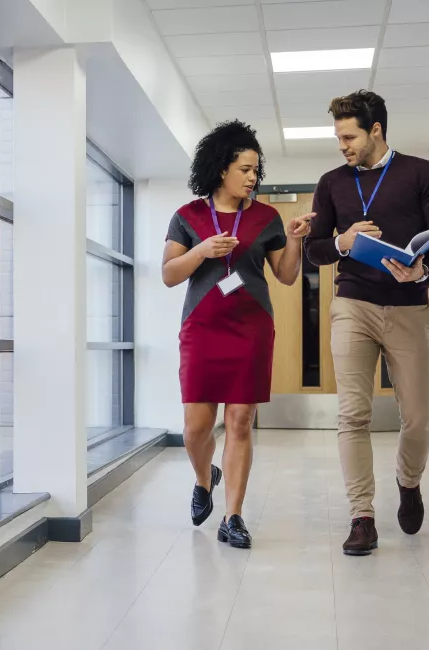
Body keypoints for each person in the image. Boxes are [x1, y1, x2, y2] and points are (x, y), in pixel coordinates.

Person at [304, 90, 429, 556]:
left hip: (410, 305)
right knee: (353, 414)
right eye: (338, 137)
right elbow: (315, 249)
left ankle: (408, 482)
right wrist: (343, 242)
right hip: (353, 304)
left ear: (376, 130)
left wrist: (423, 268)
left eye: (349, 136)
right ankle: (362, 516)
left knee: (419, 417)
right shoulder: (332, 182)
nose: (342, 145)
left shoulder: (422, 174)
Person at [162, 120, 313, 549]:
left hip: (251, 328)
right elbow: (169, 275)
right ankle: (203, 477)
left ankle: (233, 516)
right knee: (195, 428)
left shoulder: (266, 217)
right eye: (245, 169)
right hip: (202, 329)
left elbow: (284, 276)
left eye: (256, 170)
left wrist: (297, 241)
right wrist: (200, 251)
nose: (252, 177)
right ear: (221, 168)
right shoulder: (188, 216)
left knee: (240, 422)